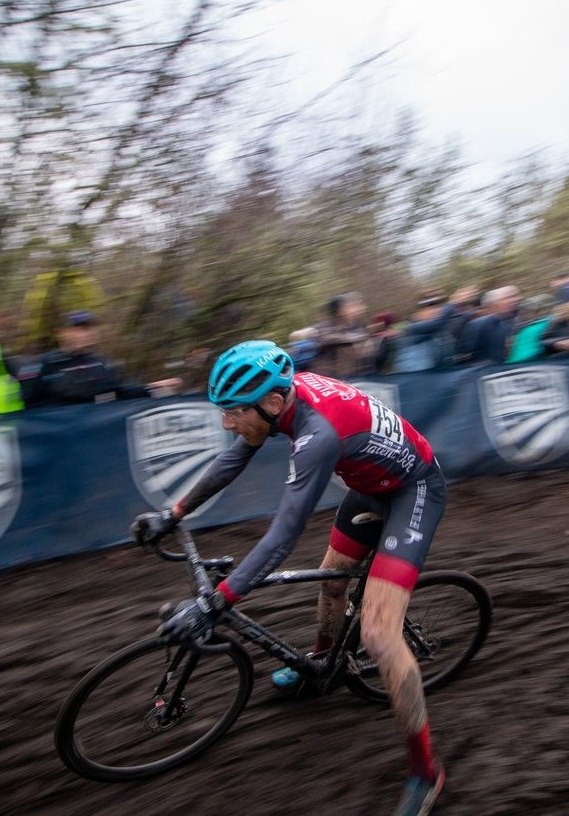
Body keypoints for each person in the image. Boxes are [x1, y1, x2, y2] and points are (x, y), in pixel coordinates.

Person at [135, 341, 449, 814]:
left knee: (380, 634)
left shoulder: (317, 434)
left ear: (274, 403)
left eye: (233, 412)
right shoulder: (281, 400)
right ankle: (321, 666)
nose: (227, 423)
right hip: (369, 487)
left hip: (414, 491)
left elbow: (281, 538)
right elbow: (233, 457)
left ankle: (426, 773)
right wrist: (173, 512)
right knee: (330, 578)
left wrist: (214, 603)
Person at [19, 311, 180, 405]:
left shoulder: (99, 363)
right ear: (63, 333)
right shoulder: (45, 363)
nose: (83, 334)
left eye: (87, 329)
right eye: (77, 329)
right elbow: (28, 405)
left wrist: (153, 387)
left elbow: (120, 391)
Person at [460, 285, 520, 364]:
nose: (514, 300)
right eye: (507, 298)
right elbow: (466, 354)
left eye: (515, 296)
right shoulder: (478, 324)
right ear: (494, 303)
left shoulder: (512, 322)